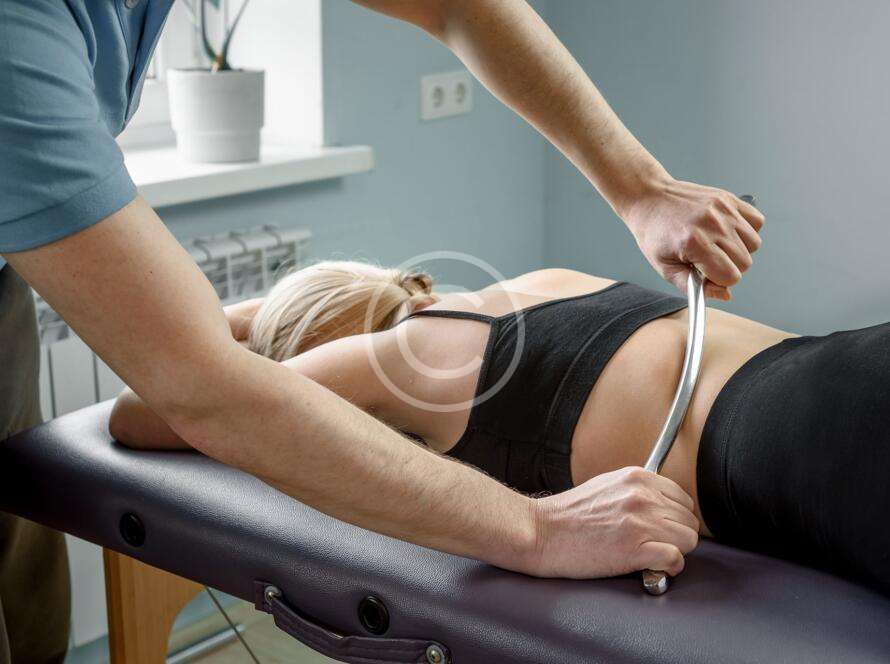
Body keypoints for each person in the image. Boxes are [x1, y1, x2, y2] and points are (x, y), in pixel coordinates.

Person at [0, 1, 764, 660]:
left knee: (22, 590)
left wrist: (642, 188)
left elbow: (455, 5)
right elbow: (199, 390)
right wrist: (536, 532)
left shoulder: (389, 359)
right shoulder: (541, 284)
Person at [111, 261, 890, 593]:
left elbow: (147, 409)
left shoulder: (390, 357)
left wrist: (257, 320)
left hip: (805, 447)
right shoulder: (545, 280)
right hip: (842, 365)